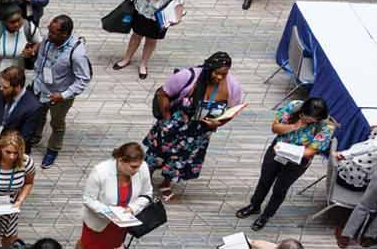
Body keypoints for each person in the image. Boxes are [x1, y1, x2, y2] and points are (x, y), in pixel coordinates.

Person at [142, 52, 243, 202]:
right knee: (156, 154)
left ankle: (166, 183)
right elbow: (163, 94)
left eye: (224, 74)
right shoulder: (188, 76)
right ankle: (144, 181)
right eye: (217, 73)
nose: (220, 77)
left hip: (199, 133)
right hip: (174, 125)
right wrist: (166, 118)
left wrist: (218, 123)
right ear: (209, 68)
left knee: (181, 159)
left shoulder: (233, 86)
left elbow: (231, 111)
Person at [236, 98, 334, 231]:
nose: (308, 121)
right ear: (302, 111)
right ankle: (255, 206)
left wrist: (291, 150)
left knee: (280, 189)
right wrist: (294, 126)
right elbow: (275, 128)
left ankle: (266, 215)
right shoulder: (294, 106)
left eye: (312, 120)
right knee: (264, 180)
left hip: (297, 161)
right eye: (306, 117)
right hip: (277, 151)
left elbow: (311, 150)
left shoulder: (326, 126)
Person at [30, 15, 91, 169]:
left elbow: (83, 79)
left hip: (60, 94)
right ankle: (35, 137)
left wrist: (63, 95)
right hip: (40, 86)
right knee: (36, 115)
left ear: (64, 35)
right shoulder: (49, 39)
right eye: (49, 31)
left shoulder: (77, 53)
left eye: (53, 33)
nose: (48, 36)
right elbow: (42, 56)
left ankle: (53, 149)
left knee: (57, 123)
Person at [80, 142, 153, 249]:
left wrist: (132, 208)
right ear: (121, 160)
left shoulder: (143, 168)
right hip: (99, 223)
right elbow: (88, 200)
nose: (137, 170)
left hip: (122, 225)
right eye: (133, 167)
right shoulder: (100, 172)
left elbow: (147, 194)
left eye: (139, 166)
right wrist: (110, 213)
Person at [0, 67, 44, 155]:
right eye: (1, 85)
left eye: (5, 87)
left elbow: (24, 137)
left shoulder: (33, 107)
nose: (1, 89)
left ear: (17, 87)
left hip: (12, 154)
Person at [0, 10, 38, 90]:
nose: (16, 24)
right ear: (4, 22)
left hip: (18, 74)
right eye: (12, 22)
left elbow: (40, 42)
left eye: (19, 20)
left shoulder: (28, 27)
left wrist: (32, 50)